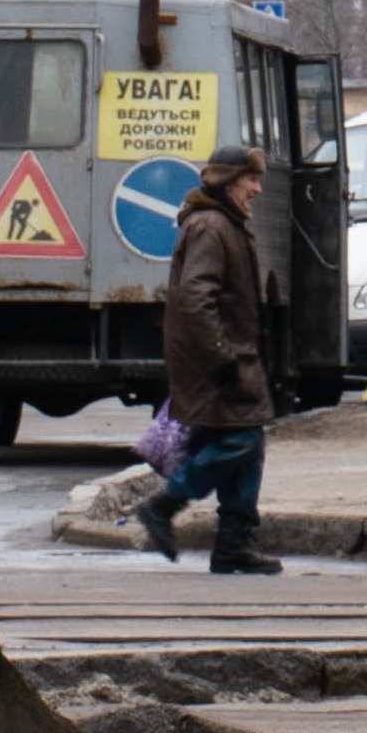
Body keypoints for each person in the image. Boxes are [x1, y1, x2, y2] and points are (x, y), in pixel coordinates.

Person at [139, 143, 284, 575]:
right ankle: (164, 504)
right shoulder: (210, 226)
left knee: (249, 443)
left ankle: (232, 546)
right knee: (241, 441)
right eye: (250, 181)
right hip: (219, 361)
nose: (256, 190)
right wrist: (220, 356)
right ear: (227, 183)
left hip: (230, 356)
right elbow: (196, 297)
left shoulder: (224, 223)